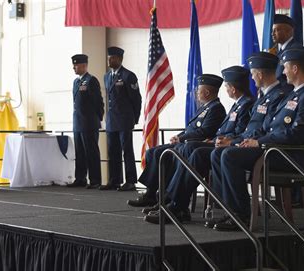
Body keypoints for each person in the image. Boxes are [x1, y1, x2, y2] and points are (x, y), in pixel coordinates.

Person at [144, 48, 304, 231]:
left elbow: (297, 134)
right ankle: (178, 206)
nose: (282, 72)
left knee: (227, 155)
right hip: (270, 148)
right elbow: (264, 127)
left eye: (285, 68)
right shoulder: (291, 96)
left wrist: (257, 142)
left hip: (285, 154)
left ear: (294, 69)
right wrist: (242, 141)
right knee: (203, 153)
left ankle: (240, 215)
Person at [134, 66, 255, 213]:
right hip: (215, 144)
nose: (196, 93)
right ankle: (166, 198)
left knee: (189, 149)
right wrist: (185, 137)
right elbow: (218, 131)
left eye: (227, 87)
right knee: (157, 152)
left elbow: (237, 132)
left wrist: (221, 140)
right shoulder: (234, 105)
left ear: (233, 89)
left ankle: (172, 200)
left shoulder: (238, 105)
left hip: (228, 147)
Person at [127, 74, 227, 207]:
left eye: (199, 90)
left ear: (207, 92)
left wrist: (181, 138)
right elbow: (189, 129)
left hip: (193, 146)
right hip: (185, 142)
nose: (196, 93)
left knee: (163, 155)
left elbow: (205, 132)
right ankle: (151, 194)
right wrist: (178, 136)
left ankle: (166, 197)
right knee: (152, 152)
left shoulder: (216, 109)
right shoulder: (205, 108)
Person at [100, 47, 142, 191]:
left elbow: (136, 99)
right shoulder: (106, 76)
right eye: (108, 58)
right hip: (112, 120)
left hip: (125, 119)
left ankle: (130, 181)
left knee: (127, 150)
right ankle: (115, 180)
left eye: (112, 58)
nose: (109, 60)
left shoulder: (128, 76)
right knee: (113, 151)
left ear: (119, 59)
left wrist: (134, 119)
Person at [67, 54, 105, 189]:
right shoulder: (76, 82)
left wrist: (98, 119)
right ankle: (80, 178)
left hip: (89, 123)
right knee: (80, 152)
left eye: (76, 65)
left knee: (91, 152)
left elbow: (98, 103)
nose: (73, 67)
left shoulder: (91, 81)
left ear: (84, 65)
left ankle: (95, 180)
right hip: (78, 123)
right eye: (73, 65)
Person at [272, 14, 300, 85]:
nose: (272, 34)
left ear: (288, 31)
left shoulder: (295, 50)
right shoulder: (280, 51)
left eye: (276, 30)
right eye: (272, 30)